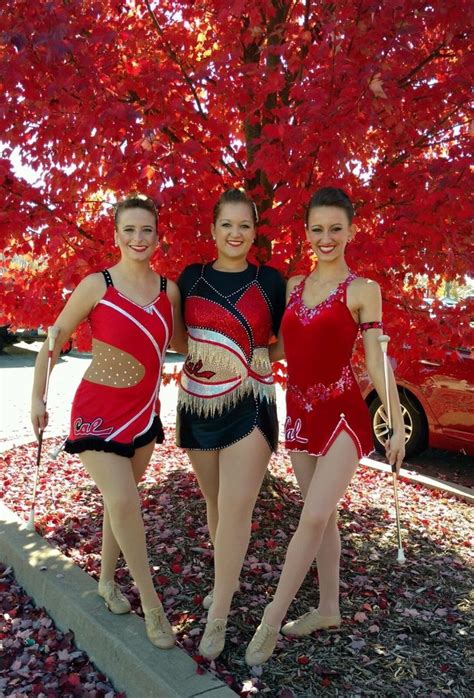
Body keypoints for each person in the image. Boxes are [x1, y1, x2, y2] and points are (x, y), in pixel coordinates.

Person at [245, 186, 406, 665]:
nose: (326, 237)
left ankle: (271, 619)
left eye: (336, 228)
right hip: (299, 413)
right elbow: (284, 347)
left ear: (352, 231)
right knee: (326, 516)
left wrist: (394, 424)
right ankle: (329, 608)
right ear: (307, 232)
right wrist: (242, 351)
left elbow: (377, 364)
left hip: (341, 415)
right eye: (317, 229)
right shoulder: (294, 285)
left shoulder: (363, 290)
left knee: (313, 516)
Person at [31, 195, 187, 649]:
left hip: (143, 413)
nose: (138, 239)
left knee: (121, 503)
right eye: (129, 230)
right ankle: (152, 605)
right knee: (123, 500)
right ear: (116, 234)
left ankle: (105, 580)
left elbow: (185, 341)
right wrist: (37, 397)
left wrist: (241, 348)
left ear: (158, 237)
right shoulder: (95, 285)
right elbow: (52, 342)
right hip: (96, 411)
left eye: (147, 231)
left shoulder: (168, 290)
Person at [176, 188, 286, 660]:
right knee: (215, 501)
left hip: (252, 401)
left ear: (254, 231)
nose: (235, 233)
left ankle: (218, 613)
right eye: (227, 225)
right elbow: (178, 335)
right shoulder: (191, 277)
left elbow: (287, 338)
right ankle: (229, 581)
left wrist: (251, 359)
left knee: (238, 506)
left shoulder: (272, 279)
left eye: (244, 225)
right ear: (213, 228)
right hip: (198, 403)